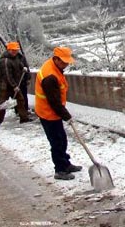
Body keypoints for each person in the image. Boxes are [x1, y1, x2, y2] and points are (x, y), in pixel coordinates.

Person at [35, 47, 82, 181]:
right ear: (55, 59)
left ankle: (65, 163)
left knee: (62, 139)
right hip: (47, 113)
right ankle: (60, 170)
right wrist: (67, 116)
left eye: (67, 62)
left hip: (53, 111)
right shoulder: (50, 76)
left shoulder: (55, 68)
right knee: (56, 142)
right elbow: (54, 102)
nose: (66, 65)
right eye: (63, 62)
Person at [0, 42, 33, 127]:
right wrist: (14, 86)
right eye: (13, 50)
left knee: (20, 100)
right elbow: (7, 75)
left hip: (14, 85)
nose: (15, 52)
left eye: (16, 50)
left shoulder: (16, 58)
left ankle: (24, 118)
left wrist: (25, 71)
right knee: (3, 104)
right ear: (9, 50)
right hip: (5, 86)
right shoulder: (5, 61)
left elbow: (22, 67)